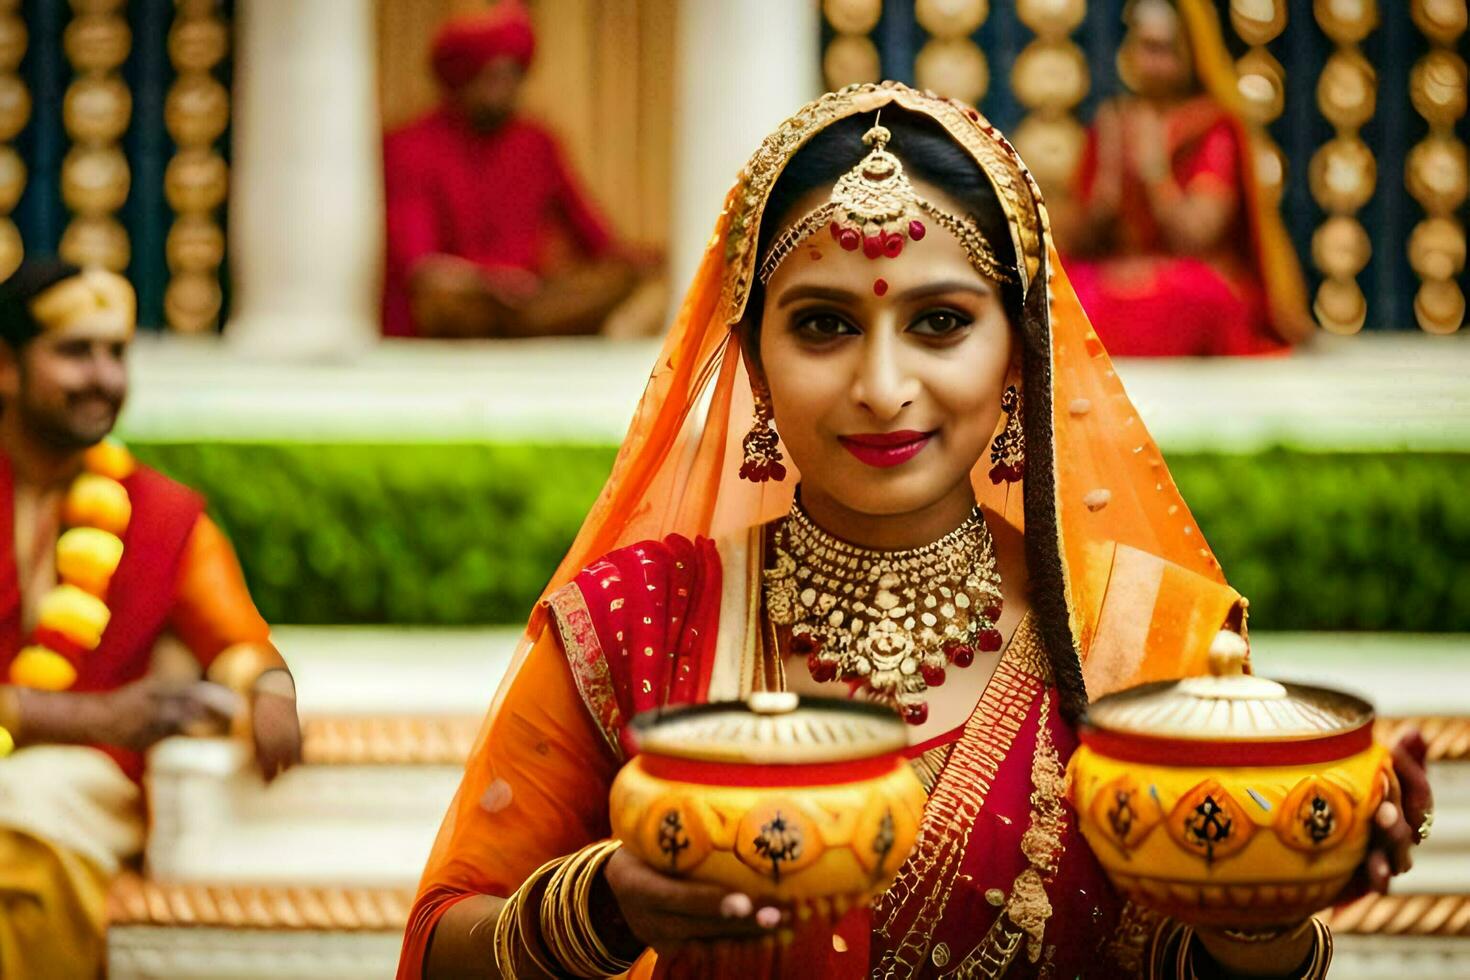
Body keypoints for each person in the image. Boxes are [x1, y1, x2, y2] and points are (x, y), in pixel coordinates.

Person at [397, 82, 1429, 978]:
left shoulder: (1144, 637)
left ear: (1021, 354)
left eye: (939, 322)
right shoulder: (636, 619)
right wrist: (606, 906)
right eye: (822, 323)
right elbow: (443, 943)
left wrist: (1267, 904)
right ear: (751, 358)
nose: (883, 386)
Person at [0, 261, 302, 976]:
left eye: (116, 353)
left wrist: (270, 690)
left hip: (73, 796)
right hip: (71, 755)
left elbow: (238, 644)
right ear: (6, 367)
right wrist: (92, 717)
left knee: (24, 831)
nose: (104, 377)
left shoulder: (163, 516)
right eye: (75, 352)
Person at [1053, 0, 1312, 357]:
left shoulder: (1212, 128)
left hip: (1188, 280)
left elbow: (1196, 235)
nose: (1150, 62)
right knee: (1059, 290)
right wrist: (1104, 196)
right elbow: (1077, 240)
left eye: (1163, 49)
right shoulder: (1114, 122)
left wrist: (1156, 174)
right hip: (1120, 276)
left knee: (1199, 296)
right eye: (1144, 46)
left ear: (1190, 51)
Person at [382, 1, 654, 339]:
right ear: (460, 81)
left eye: (513, 76)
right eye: (493, 77)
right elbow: (419, 267)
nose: (506, 89)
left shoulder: (537, 142)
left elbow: (593, 236)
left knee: (613, 281)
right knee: (443, 300)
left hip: (529, 298)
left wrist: (638, 262)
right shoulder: (409, 145)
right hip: (464, 298)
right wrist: (485, 282)